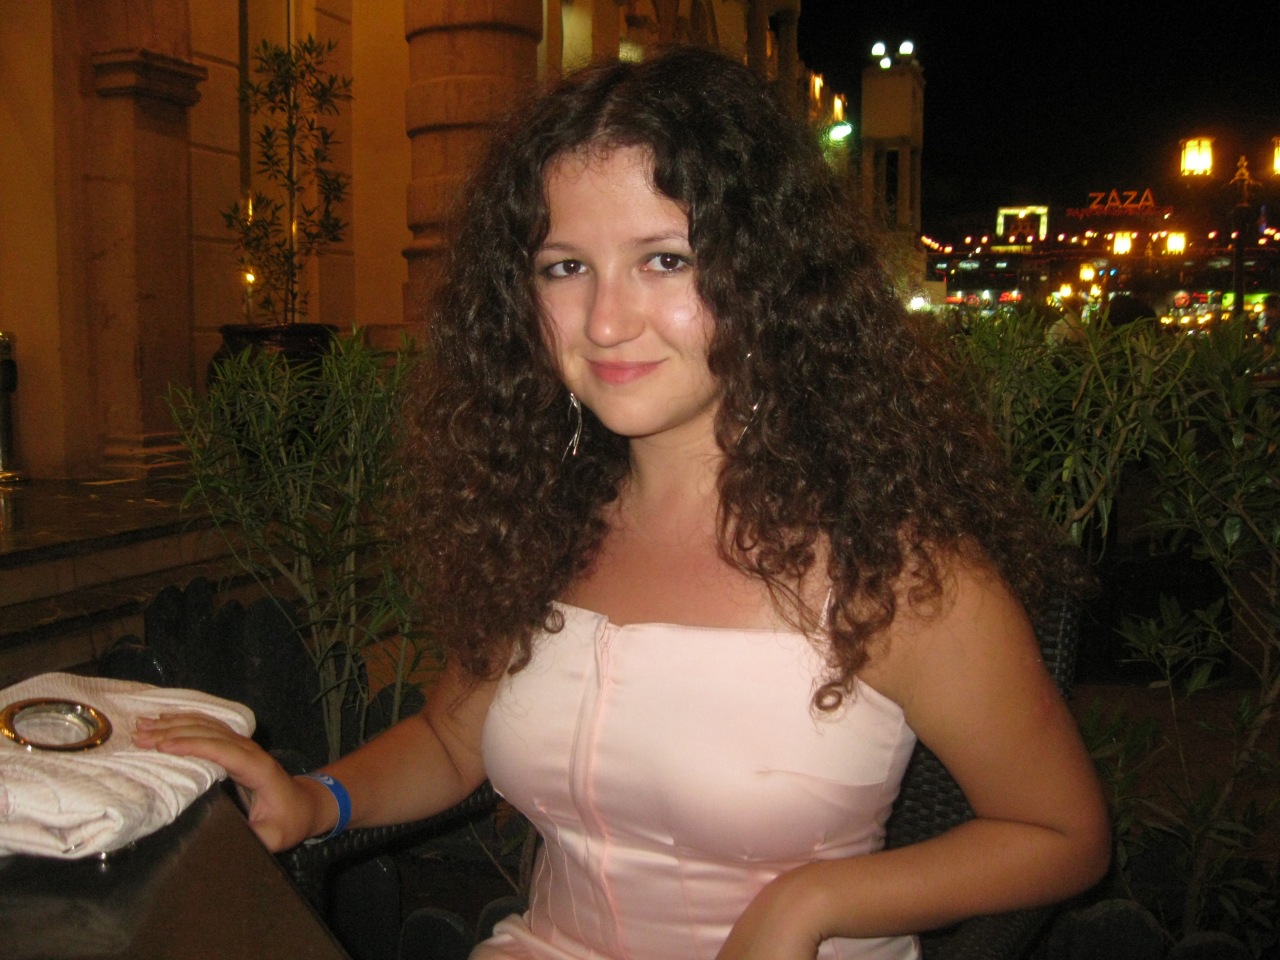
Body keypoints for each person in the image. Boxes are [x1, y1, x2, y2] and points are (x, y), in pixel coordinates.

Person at [135, 47, 1110, 960]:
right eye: (566, 267)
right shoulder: (544, 523)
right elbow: (449, 740)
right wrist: (317, 800)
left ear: (767, 274)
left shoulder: (892, 572)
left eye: (664, 259)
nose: (605, 321)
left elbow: (1061, 835)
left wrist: (810, 902)